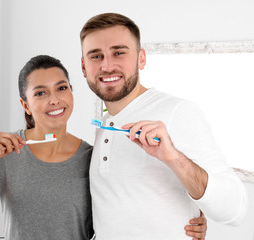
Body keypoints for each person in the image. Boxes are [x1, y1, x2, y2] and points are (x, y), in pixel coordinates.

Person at [0, 55, 207, 239]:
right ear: (26, 104)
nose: (54, 99)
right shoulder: (2, 153)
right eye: (40, 93)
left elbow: (133, 207)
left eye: (61, 88)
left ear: (72, 92)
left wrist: (185, 221)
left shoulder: (93, 157)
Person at [80, 12, 248, 240]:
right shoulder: (106, 124)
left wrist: (173, 158)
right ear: (83, 67)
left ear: (141, 58)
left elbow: (235, 210)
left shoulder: (178, 112)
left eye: (119, 52)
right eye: (96, 56)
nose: (107, 66)